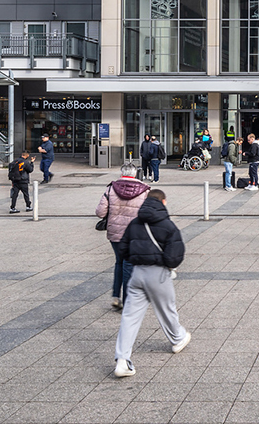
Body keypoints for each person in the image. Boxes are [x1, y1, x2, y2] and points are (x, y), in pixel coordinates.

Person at [112, 189, 190, 377]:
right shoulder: (168, 225)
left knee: (130, 317)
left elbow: (122, 249)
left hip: (137, 273)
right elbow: (175, 255)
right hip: (158, 273)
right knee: (167, 309)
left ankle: (122, 360)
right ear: (163, 202)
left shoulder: (134, 223)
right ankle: (178, 338)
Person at [96, 162, 151, 311]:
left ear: (122, 173)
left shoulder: (110, 188)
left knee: (119, 262)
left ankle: (115, 296)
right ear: (135, 174)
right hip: (134, 234)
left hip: (115, 233)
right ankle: (127, 302)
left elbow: (100, 212)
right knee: (128, 265)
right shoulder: (144, 190)